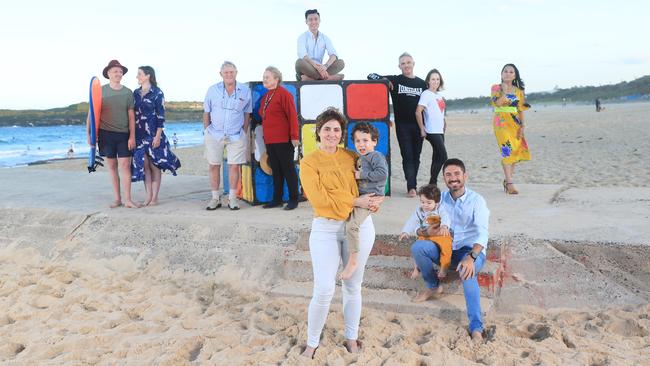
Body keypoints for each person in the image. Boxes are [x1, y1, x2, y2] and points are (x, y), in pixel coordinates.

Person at [299, 107, 384, 358]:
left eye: (337, 130)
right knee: (324, 288)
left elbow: (372, 184)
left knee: (353, 285)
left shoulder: (351, 156)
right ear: (319, 132)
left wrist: (376, 200)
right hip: (325, 228)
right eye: (327, 129)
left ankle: (351, 337)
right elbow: (319, 200)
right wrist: (356, 201)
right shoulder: (308, 162)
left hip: (358, 226)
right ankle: (312, 342)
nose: (332, 134)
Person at [411, 158, 489, 342]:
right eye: (448, 175)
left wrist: (471, 257)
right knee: (419, 247)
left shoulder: (476, 201)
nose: (453, 178)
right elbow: (417, 225)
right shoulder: (438, 200)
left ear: (465, 176)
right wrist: (426, 231)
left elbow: (483, 233)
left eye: (456, 174)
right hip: (443, 248)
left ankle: (476, 326)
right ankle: (432, 286)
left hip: (469, 250)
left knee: (466, 271)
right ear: (444, 179)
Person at [369, 52, 427, 197]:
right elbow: (370, 75)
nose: (406, 65)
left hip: (419, 125)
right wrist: (384, 80)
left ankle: (413, 183)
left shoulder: (422, 84)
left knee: (416, 156)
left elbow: (428, 105)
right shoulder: (395, 80)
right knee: (407, 155)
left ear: (414, 64)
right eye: (403, 63)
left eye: (408, 62)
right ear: (399, 66)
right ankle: (411, 187)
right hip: (402, 125)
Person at [87, 59, 138, 208]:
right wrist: (88, 134)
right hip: (105, 134)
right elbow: (92, 114)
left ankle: (128, 199)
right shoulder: (100, 91)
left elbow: (131, 116)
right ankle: (117, 198)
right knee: (112, 166)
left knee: (125, 165)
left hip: (123, 134)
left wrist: (132, 136)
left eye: (120, 71)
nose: (118, 73)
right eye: (115, 71)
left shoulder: (128, 93)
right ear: (108, 73)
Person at [340, 122, 388, 280]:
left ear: (374, 141)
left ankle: (353, 261)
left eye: (365, 140)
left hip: (370, 197)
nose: (361, 144)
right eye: (357, 141)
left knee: (352, 225)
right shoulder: (362, 157)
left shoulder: (376, 156)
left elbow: (382, 174)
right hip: (361, 197)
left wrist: (361, 175)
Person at [203, 61, 251, 210]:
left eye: (232, 72)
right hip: (214, 134)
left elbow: (247, 113)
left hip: (236, 135)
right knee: (213, 165)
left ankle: (232, 199)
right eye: (226, 72)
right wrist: (207, 131)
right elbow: (206, 112)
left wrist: (243, 131)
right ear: (221, 74)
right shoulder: (212, 90)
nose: (229, 75)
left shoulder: (244, 90)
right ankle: (215, 198)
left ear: (236, 73)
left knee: (234, 166)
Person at [131, 66, 181, 206]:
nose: (137, 76)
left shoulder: (157, 93)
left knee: (154, 165)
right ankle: (148, 196)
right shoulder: (135, 93)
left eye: (139, 74)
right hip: (140, 135)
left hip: (153, 134)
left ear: (147, 76)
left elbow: (161, 116)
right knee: (145, 165)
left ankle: (154, 197)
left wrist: (158, 136)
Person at [259, 66, 300, 210]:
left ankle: (294, 199)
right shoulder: (266, 96)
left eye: (267, 77)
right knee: (276, 170)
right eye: (263, 77)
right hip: (270, 140)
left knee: (288, 170)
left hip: (284, 139)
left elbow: (292, 116)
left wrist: (294, 136)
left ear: (276, 79)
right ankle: (277, 199)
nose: (264, 79)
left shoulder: (284, 94)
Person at [490, 63, 530, 195]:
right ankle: (510, 183)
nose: (508, 73)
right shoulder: (496, 88)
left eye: (511, 72)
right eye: (505, 71)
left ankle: (507, 180)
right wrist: (505, 91)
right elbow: (498, 103)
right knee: (507, 150)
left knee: (515, 150)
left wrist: (523, 125)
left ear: (515, 75)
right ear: (501, 74)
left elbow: (521, 109)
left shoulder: (519, 91)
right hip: (501, 122)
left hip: (515, 123)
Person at [399, 184, 452, 282]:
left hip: (440, 233)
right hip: (426, 233)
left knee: (446, 247)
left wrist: (445, 225)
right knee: (417, 247)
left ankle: (444, 267)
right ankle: (416, 268)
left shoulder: (440, 208)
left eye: (428, 202)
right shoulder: (419, 211)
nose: (425, 205)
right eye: (422, 202)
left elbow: (446, 217)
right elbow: (412, 221)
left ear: (436, 202)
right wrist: (405, 231)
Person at [415, 69, 448, 186]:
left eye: (438, 79)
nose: (436, 81)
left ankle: (432, 183)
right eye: (433, 79)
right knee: (443, 156)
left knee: (437, 157)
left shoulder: (439, 96)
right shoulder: (426, 94)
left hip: (440, 130)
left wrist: (444, 121)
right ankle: (434, 181)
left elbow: (439, 112)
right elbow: (418, 112)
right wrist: (422, 129)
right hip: (431, 130)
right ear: (428, 81)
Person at [295, 9, 345, 81]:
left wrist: (325, 66)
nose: (313, 22)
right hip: (308, 68)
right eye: (310, 20)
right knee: (299, 62)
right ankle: (329, 78)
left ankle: (310, 79)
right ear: (306, 22)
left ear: (319, 20)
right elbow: (304, 56)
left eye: (316, 19)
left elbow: (334, 55)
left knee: (341, 63)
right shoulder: (302, 37)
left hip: (322, 69)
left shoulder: (325, 38)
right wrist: (317, 67)